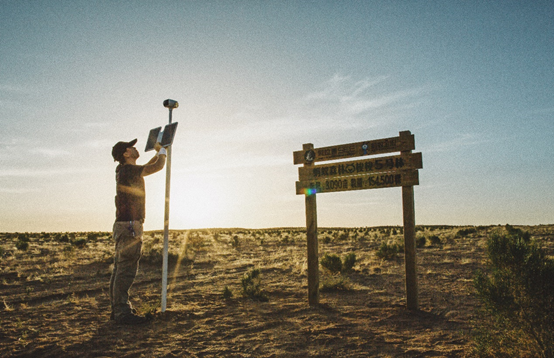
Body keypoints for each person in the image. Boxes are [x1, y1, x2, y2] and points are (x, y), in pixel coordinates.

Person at [109, 138, 166, 324]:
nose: (135, 148)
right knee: (125, 270)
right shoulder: (128, 170)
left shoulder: (126, 171)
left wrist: (157, 154)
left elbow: (147, 167)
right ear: (126, 154)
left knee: (120, 269)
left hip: (125, 225)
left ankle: (118, 311)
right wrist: (163, 150)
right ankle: (122, 314)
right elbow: (157, 167)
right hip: (130, 226)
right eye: (131, 147)